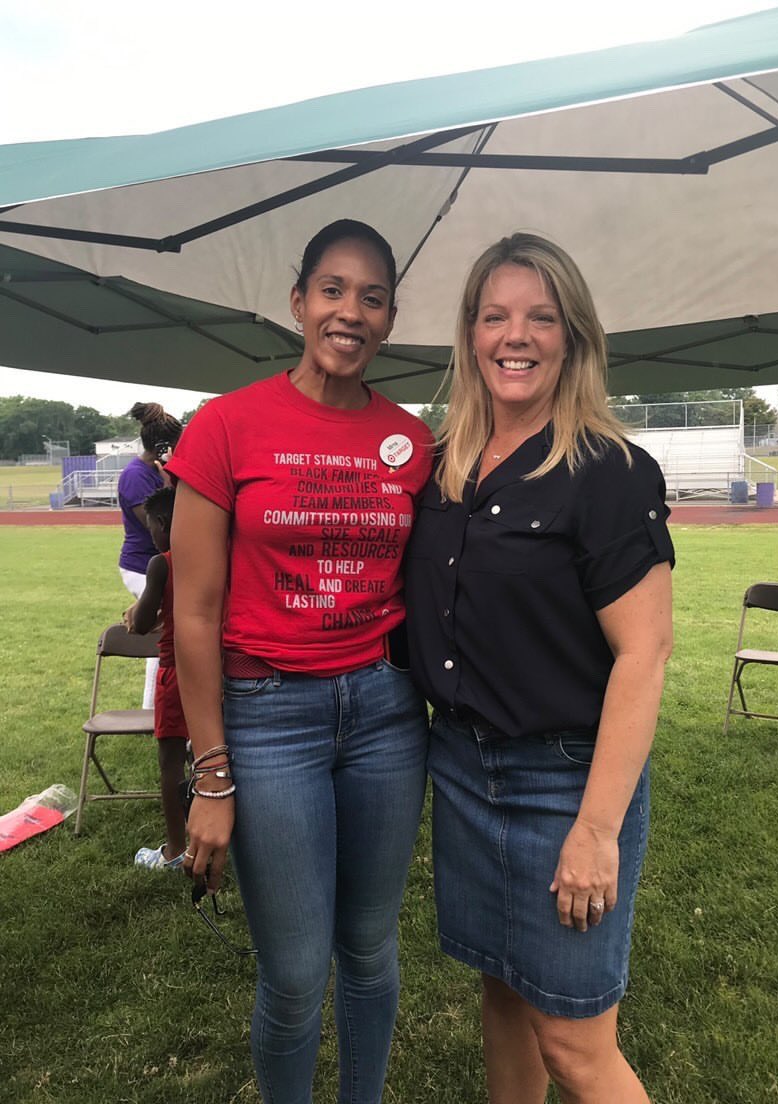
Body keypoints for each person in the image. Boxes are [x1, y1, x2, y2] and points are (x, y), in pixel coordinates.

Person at [165, 220, 433, 1104]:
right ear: (298, 302)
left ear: (389, 319)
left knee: (370, 951)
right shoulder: (225, 426)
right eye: (333, 290)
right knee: (292, 972)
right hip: (268, 718)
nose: (351, 312)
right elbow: (193, 613)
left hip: (386, 714)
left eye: (372, 298)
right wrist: (211, 773)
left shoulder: (411, 442)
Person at [406, 233, 674, 1104]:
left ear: (573, 337)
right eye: (495, 317)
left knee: (575, 1044)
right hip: (462, 765)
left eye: (540, 318)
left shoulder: (609, 472)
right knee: (502, 992)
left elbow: (645, 653)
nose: (514, 336)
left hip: (565, 781)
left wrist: (596, 831)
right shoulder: (442, 467)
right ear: (470, 334)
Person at [124, 486, 189, 871]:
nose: (151, 537)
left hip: (177, 671)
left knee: (171, 762)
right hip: (221, 668)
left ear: (163, 524)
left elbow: (143, 623)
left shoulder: (161, 564)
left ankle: (176, 849)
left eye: (151, 529)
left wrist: (136, 613)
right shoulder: (217, 554)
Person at [118, 402, 183, 708]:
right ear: (163, 446)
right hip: (142, 566)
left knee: (168, 631)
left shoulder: (160, 470)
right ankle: (153, 708)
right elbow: (159, 529)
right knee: (167, 633)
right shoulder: (135, 476)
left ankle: (153, 708)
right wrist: (171, 485)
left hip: (164, 564)